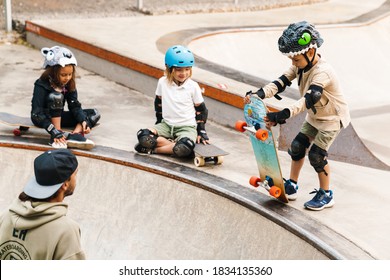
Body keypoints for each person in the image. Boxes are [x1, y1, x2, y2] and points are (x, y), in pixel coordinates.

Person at [245, 21, 350, 211]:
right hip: (315, 116)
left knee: (317, 155)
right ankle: (292, 185)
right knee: (297, 147)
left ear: (310, 53)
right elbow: (279, 83)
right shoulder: (300, 65)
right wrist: (258, 94)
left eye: (296, 59)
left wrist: (282, 115)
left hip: (331, 120)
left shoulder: (323, 72)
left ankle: (326, 194)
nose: (293, 63)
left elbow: (307, 101)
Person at [0, 149, 86, 260]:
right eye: (75, 174)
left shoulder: (5, 216)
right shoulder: (66, 231)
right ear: (65, 184)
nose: (76, 179)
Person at [134, 45, 209, 157]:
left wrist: (201, 131)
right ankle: (175, 147)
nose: (183, 73)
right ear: (168, 68)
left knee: (184, 146)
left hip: (187, 127)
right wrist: (158, 122)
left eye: (187, 69)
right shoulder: (162, 82)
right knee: (143, 136)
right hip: (166, 125)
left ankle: (154, 150)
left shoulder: (193, 86)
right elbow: (158, 103)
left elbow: (201, 110)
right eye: (179, 69)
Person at [31, 45, 100, 150]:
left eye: (70, 74)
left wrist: (83, 121)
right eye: (63, 75)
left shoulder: (69, 83)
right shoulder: (41, 84)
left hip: (59, 116)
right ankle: (56, 136)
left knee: (94, 113)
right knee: (56, 97)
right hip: (43, 118)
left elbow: (74, 106)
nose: (67, 78)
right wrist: (53, 130)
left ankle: (75, 135)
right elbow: (36, 114)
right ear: (53, 72)